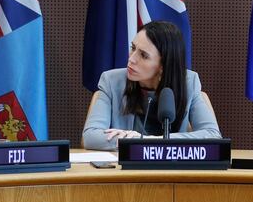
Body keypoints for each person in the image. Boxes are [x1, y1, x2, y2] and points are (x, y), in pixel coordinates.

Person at [83, 21, 221, 151]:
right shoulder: (111, 81)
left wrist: (149, 141)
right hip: (125, 172)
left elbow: (212, 135)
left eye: (143, 55)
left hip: (173, 171)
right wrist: (135, 142)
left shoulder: (189, 83)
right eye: (133, 48)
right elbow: (90, 137)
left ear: (163, 66)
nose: (131, 59)